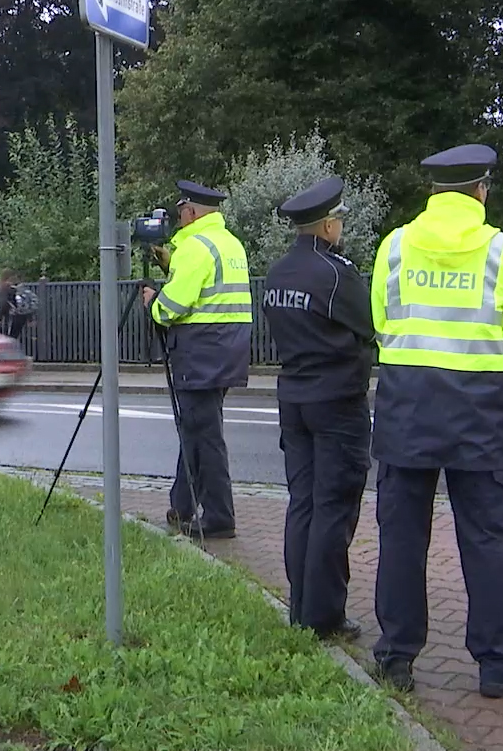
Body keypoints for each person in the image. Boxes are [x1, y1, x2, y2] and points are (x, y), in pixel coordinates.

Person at [370, 144, 503, 698]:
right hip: (477, 404)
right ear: (480, 191)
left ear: (434, 192)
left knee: (400, 537)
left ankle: (396, 658)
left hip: (406, 402)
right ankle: (498, 664)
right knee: (485, 538)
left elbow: (381, 323)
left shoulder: (394, 244)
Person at [261, 176, 373, 641]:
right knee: (334, 506)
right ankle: (324, 616)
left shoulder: (277, 273)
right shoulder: (334, 274)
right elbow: (369, 327)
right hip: (337, 402)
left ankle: (300, 606)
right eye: (339, 220)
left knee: (302, 503)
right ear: (327, 226)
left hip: (294, 398)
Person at [140, 180, 252, 540]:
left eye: (180, 212)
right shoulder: (228, 243)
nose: (177, 220)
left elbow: (173, 307)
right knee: (196, 428)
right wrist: (171, 263)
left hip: (200, 350)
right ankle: (182, 505)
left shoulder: (194, 248)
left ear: (191, 212)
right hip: (226, 349)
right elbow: (210, 286)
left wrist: (152, 303)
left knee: (206, 436)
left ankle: (220, 515)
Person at [0, 270, 33, 341]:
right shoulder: (19, 287)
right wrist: (29, 318)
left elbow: (4, 304)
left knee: (7, 340)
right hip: (21, 317)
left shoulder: (4, 288)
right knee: (14, 339)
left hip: (10, 317)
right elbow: (25, 302)